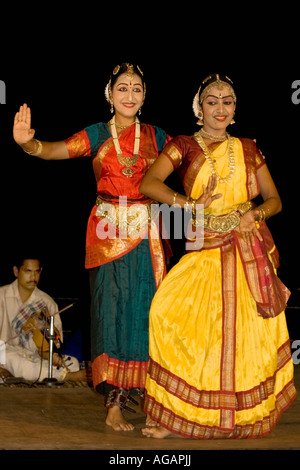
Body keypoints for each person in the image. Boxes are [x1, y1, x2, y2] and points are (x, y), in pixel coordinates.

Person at [13, 63, 171, 431]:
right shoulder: (97, 133)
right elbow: (54, 151)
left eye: (136, 89)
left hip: (147, 235)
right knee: (110, 312)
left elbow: (191, 164)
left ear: (144, 96)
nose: (129, 95)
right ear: (109, 94)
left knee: (147, 313)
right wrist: (29, 144)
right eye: (122, 88)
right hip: (106, 234)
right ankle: (114, 401)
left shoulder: (159, 137)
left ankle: (150, 394)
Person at [140, 73, 296, 439]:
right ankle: (174, 413)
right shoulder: (183, 145)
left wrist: (253, 215)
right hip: (205, 247)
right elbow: (149, 183)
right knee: (166, 314)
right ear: (199, 107)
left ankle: (240, 417)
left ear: (235, 109)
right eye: (212, 100)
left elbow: (275, 200)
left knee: (246, 336)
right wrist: (190, 205)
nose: (220, 107)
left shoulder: (247, 148)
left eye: (227, 101)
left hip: (246, 251)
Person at [0, 256, 85, 383]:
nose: (33, 276)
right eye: (27, 271)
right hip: (4, 352)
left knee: (72, 362)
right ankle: (67, 377)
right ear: (16, 271)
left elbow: (54, 343)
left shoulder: (47, 302)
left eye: (37, 271)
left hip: (34, 356)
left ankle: (16, 374)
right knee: (13, 359)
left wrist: (52, 355)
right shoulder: (1, 296)